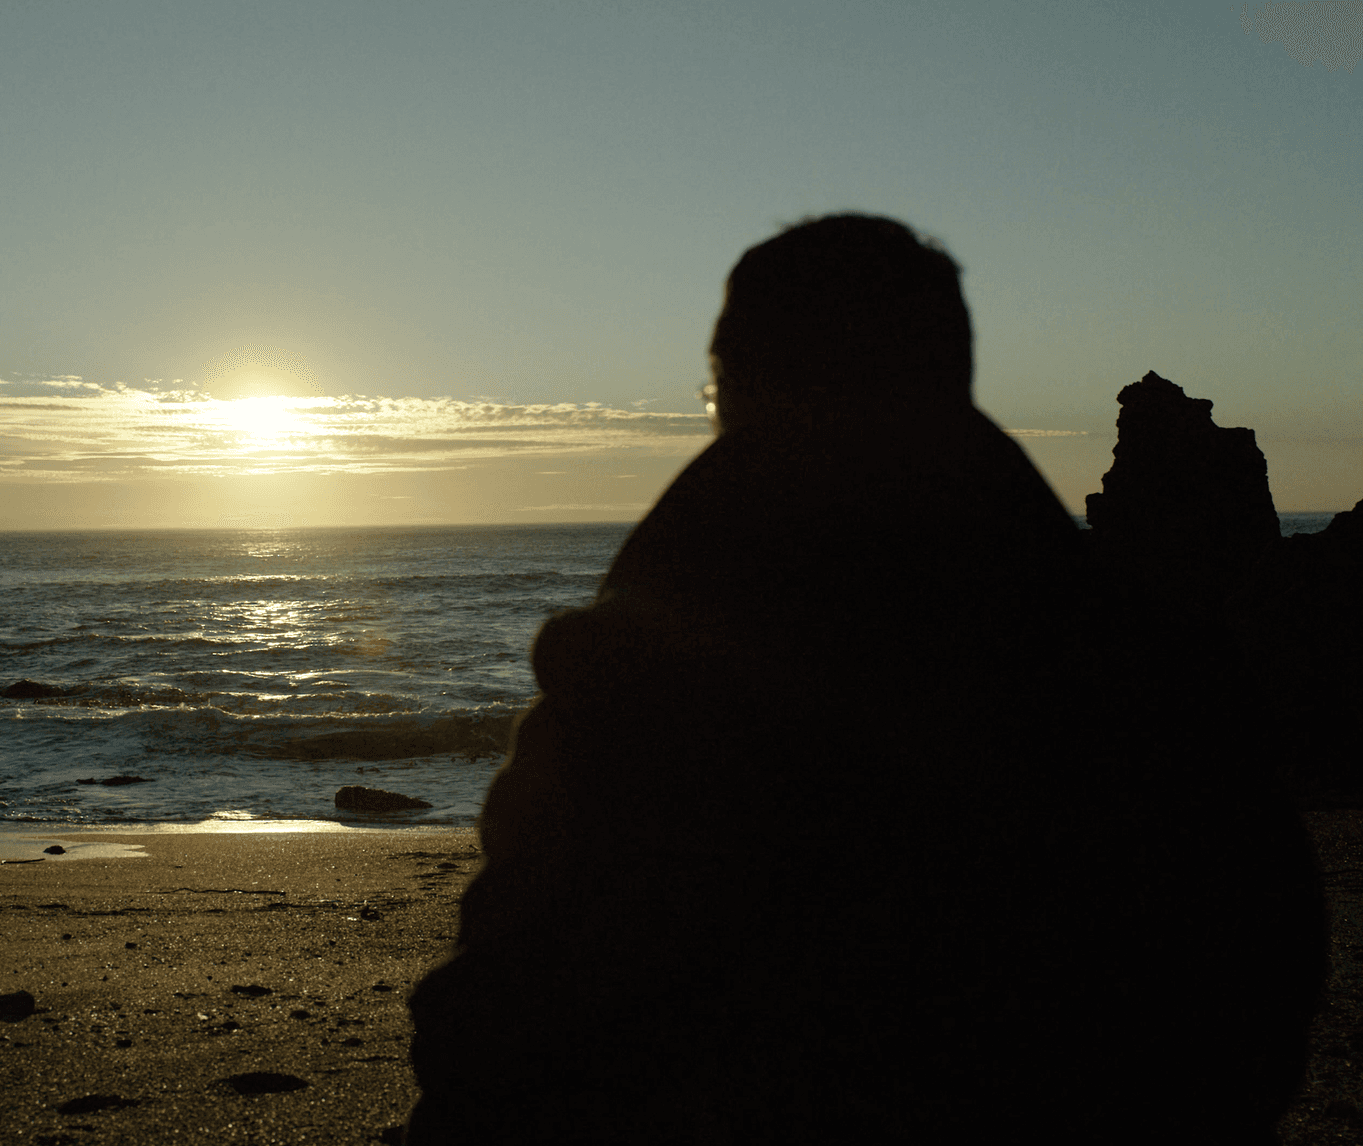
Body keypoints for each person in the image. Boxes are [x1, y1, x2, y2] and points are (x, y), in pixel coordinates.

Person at [404, 214, 1325, 1144]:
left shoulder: (641, 692)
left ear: (738, 390)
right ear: (951, 379)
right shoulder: (1150, 674)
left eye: (715, 389)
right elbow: (1260, 998)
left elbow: (500, 1024)